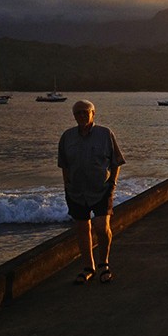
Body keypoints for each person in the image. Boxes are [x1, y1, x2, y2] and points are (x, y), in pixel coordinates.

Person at [58, 100, 125, 285]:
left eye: (85, 112)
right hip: (76, 191)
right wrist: (67, 184)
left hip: (101, 189)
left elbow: (116, 161)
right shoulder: (67, 137)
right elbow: (63, 164)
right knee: (82, 228)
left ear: (93, 114)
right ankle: (89, 267)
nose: (81, 115)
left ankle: (104, 263)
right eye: (77, 113)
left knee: (102, 227)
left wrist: (112, 183)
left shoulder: (105, 134)